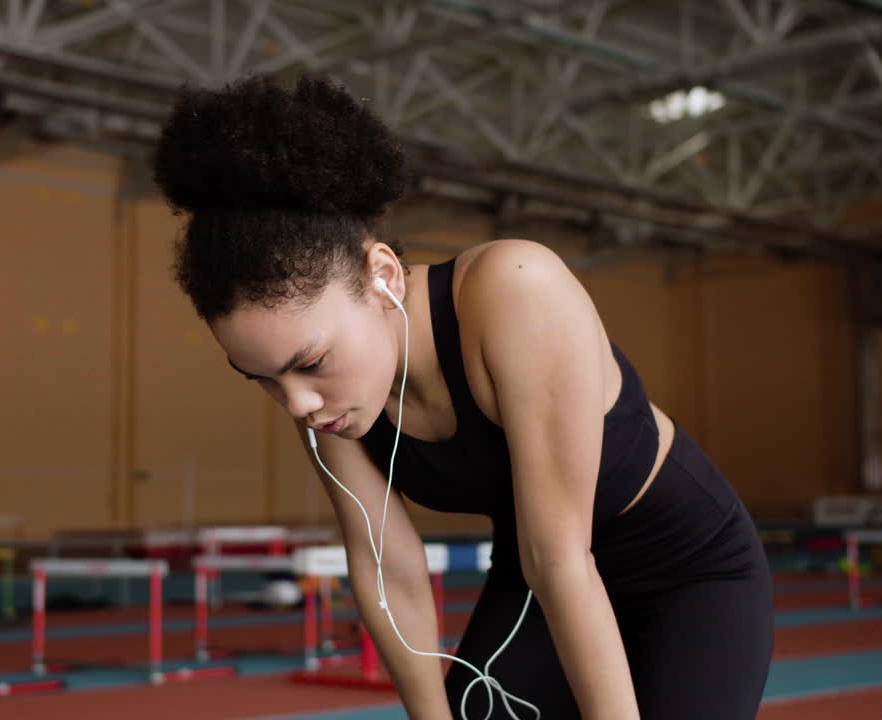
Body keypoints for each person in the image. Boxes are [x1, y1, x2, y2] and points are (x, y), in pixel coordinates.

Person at [153, 74, 774, 720]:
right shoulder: (331, 405)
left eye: (310, 363)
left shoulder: (517, 292)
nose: (299, 404)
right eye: (263, 378)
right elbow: (388, 568)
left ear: (383, 274)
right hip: (534, 581)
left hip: (686, 571)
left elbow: (559, 558)